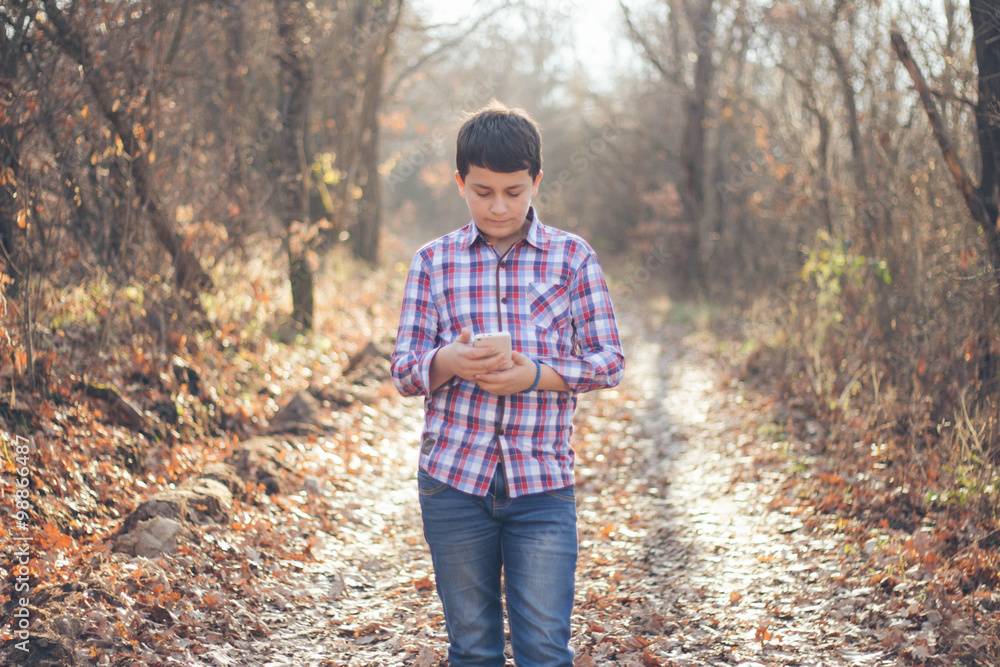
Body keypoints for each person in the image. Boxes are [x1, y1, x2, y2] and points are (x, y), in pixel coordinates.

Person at [390, 99, 625, 667]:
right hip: (453, 483)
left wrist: (538, 376)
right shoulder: (432, 262)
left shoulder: (573, 259)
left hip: (541, 483)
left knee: (545, 646)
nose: (499, 206)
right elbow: (404, 370)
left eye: (514, 192)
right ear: (460, 184)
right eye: (483, 191)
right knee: (472, 648)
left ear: (537, 181)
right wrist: (447, 361)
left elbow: (609, 360)